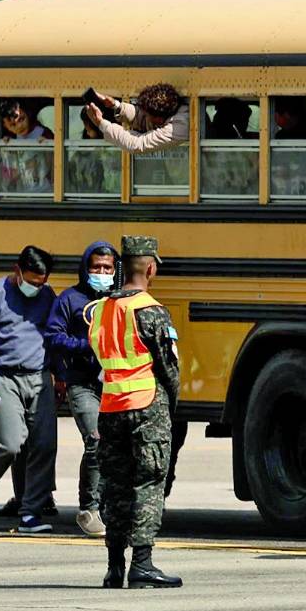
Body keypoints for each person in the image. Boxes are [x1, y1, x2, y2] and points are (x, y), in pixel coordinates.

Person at [88, 235, 182, 588]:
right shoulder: (151, 310)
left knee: (115, 485)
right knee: (148, 481)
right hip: (146, 405)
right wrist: (170, 404)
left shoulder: (100, 309)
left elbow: (99, 355)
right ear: (151, 268)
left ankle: (114, 567)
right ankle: (142, 564)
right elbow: (169, 367)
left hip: (110, 405)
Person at [0, 245, 59, 534]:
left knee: (44, 444)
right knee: (10, 443)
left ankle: (30, 512)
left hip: (39, 377)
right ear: (16, 270)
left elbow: (53, 335)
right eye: (31, 281)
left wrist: (59, 373)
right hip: (2, 378)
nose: (36, 288)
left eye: (41, 283)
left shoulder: (47, 296)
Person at [43, 240, 120, 537]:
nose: (102, 272)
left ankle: (110, 505)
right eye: (96, 267)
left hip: (114, 385)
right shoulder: (70, 299)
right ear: (86, 268)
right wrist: (85, 346)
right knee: (96, 439)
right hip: (82, 384)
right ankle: (89, 509)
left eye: (107, 267)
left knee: (115, 446)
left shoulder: (118, 299)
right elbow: (53, 335)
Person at [84, 83, 189, 152]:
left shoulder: (178, 127)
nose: (144, 117)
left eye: (147, 115)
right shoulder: (172, 112)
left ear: (158, 119)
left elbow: (137, 144)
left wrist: (101, 124)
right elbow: (141, 118)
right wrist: (115, 105)